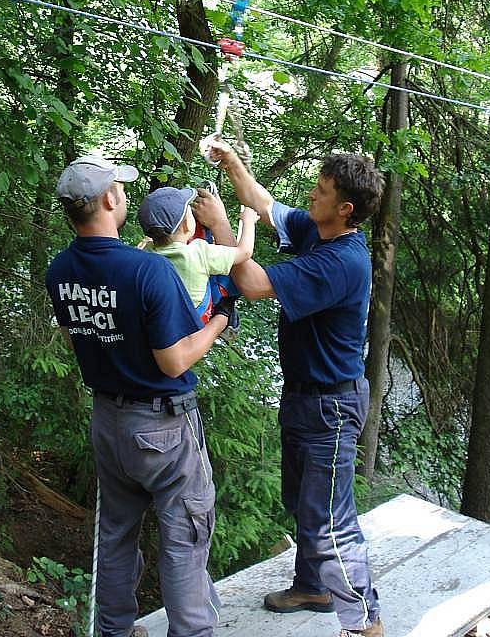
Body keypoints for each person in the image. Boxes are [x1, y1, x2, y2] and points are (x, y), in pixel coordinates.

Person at [192, 141, 385, 637]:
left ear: (345, 209)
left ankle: (366, 624)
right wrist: (231, 162)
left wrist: (219, 229)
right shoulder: (316, 231)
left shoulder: (342, 260)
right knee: (303, 502)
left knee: (331, 520)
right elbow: (262, 202)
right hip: (305, 396)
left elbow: (253, 284)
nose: (310, 194)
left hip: (331, 407)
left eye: (320, 191)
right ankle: (313, 586)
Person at [45, 155, 233, 637]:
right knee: (184, 534)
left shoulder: (59, 270)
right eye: (121, 190)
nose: (124, 196)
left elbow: (76, 336)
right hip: (164, 425)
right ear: (109, 199)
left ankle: (115, 630)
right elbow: (174, 360)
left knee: (116, 533)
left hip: (108, 421)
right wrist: (217, 322)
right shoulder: (148, 271)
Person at [137, 185, 259, 321]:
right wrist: (248, 221)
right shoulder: (199, 253)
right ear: (187, 225)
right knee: (230, 273)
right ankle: (229, 319)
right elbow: (245, 252)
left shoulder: (145, 254)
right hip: (197, 319)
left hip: (164, 320)